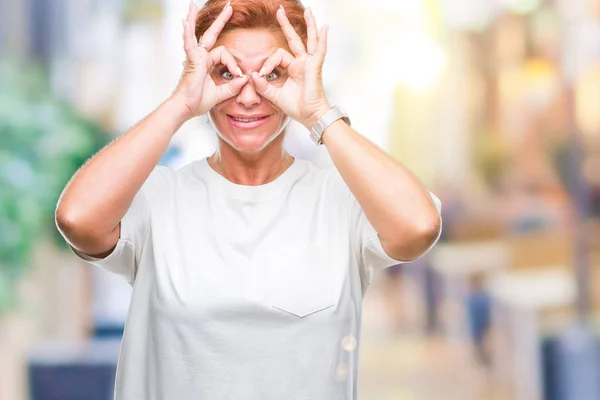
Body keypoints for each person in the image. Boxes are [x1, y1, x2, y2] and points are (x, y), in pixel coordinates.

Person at [55, 0, 443, 398]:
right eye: (227, 72)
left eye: (273, 73)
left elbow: (419, 226)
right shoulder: (158, 198)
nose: (248, 95)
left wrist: (318, 113)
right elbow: (77, 219)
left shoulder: (341, 200)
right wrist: (180, 104)